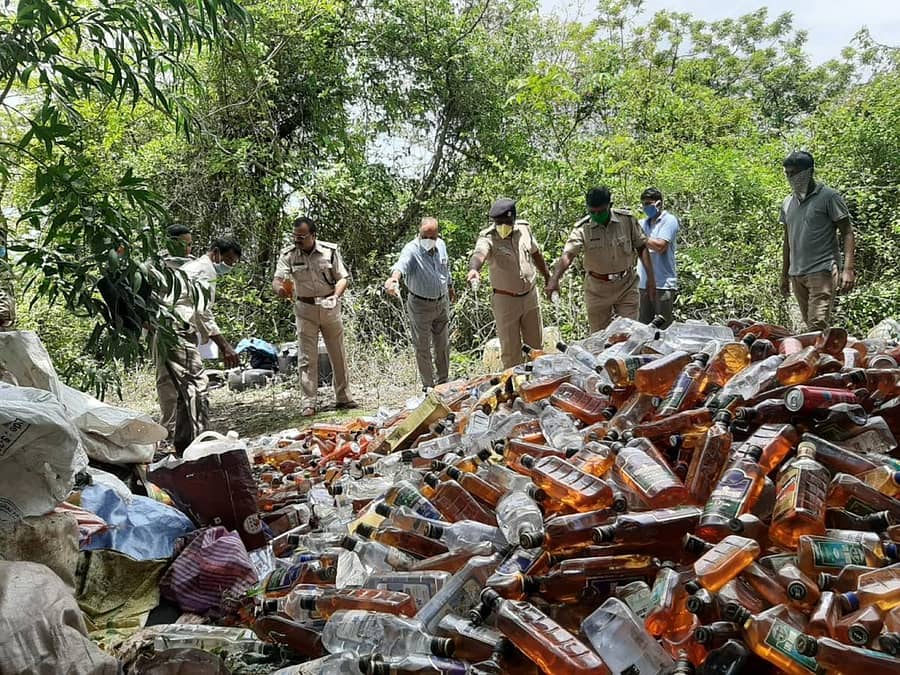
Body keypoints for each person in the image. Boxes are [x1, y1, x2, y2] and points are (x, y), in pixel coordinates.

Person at [156, 236, 242, 452]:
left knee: (184, 388)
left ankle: (183, 443)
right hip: (178, 330)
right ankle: (201, 441)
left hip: (167, 329)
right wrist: (225, 346)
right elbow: (203, 312)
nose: (229, 266)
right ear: (216, 253)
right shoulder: (205, 270)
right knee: (198, 385)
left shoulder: (193, 267)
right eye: (228, 261)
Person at [273, 216, 357, 416]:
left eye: (302, 237)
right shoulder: (288, 255)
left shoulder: (329, 252)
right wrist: (280, 290)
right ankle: (308, 402)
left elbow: (342, 278)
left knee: (337, 353)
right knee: (306, 357)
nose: (298, 240)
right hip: (305, 309)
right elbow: (277, 280)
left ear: (313, 235)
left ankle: (344, 397)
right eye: (295, 236)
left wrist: (335, 296)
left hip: (329, 307)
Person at [547, 186, 655, 333]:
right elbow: (568, 254)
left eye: (601, 211)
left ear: (610, 206)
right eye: (592, 212)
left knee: (629, 332)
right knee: (599, 336)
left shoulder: (627, 221)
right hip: (597, 289)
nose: (597, 215)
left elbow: (642, 247)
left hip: (626, 285)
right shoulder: (583, 228)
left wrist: (651, 279)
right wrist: (554, 279)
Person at [467, 198, 550, 368]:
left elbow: (536, 254)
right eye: (498, 222)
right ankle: (515, 383)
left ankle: (538, 380)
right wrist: (474, 269)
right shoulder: (488, 237)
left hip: (530, 297)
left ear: (513, 218)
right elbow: (479, 254)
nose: (502, 226)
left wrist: (548, 277)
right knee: (511, 352)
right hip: (506, 301)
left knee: (536, 349)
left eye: (505, 222)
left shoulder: (524, 229)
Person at [780, 150, 856, 330]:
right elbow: (787, 241)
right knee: (810, 328)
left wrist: (848, 269)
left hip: (822, 271)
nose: (791, 178)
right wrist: (784, 275)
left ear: (809, 172)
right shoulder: (788, 202)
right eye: (788, 174)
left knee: (816, 325)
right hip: (797, 273)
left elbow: (847, 232)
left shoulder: (829, 197)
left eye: (795, 173)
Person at [384, 217, 453, 390]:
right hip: (420, 305)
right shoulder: (411, 249)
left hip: (441, 302)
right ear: (419, 233)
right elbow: (401, 265)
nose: (429, 240)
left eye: (432, 237)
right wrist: (394, 279)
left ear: (437, 235)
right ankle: (428, 387)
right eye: (425, 236)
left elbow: (445, 268)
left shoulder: (441, 245)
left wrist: (450, 287)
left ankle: (443, 383)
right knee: (422, 346)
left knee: (443, 345)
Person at [155, 224, 196, 437]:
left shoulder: (194, 265)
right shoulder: (156, 266)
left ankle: (191, 424)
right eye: (183, 244)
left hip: (189, 326)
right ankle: (168, 426)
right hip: (164, 327)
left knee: (191, 377)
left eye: (190, 244)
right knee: (166, 379)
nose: (188, 249)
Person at [637, 187, 679, 327]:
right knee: (642, 328)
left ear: (658, 203)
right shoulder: (642, 224)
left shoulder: (669, 221)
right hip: (643, 284)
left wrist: (639, 238)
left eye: (648, 204)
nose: (645, 207)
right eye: (643, 204)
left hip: (663, 284)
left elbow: (660, 246)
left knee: (662, 327)